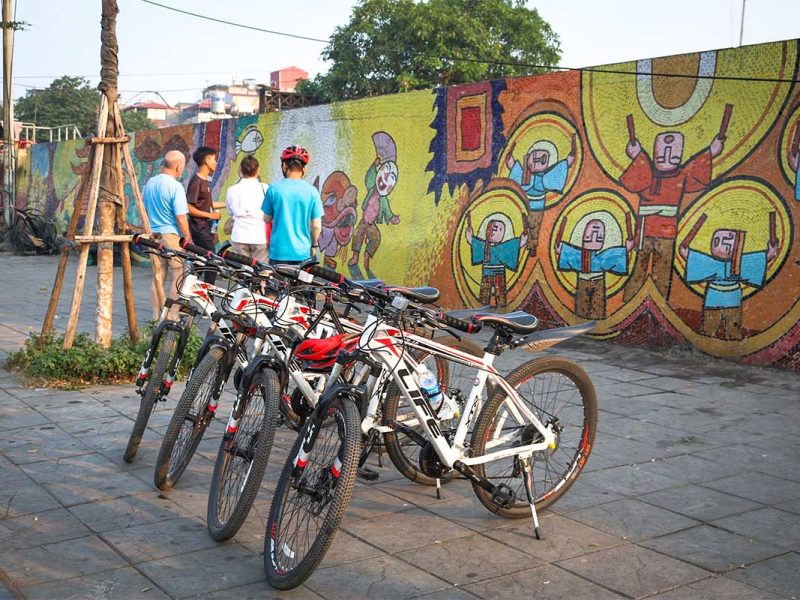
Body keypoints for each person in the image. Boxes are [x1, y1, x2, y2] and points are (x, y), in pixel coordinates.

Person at [142, 150, 192, 320]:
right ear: (178, 166)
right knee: (179, 275)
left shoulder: (149, 184)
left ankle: (156, 317)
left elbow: (144, 209)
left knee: (158, 276)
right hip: (171, 236)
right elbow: (180, 216)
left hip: (153, 236)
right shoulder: (175, 186)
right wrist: (188, 237)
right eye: (182, 167)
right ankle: (172, 314)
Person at [261, 145, 323, 265]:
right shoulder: (312, 191)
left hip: (278, 253)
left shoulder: (273, 189)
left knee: (278, 283)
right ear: (304, 169)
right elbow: (316, 226)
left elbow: (266, 218)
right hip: (302, 254)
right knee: (300, 284)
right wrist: (313, 245)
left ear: (284, 166)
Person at [186, 146, 224, 282]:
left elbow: (209, 204)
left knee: (202, 262)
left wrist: (229, 203)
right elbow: (189, 208)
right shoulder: (196, 181)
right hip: (199, 230)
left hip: (206, 230)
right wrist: (210, 216)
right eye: (214, 159)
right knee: (212, 262)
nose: (216, 163)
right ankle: (208, 296)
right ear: (207, 160)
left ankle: (187, 290)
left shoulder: (205, 181)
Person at [225, 155, 269, 262]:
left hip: (239, 236)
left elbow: (230, 212)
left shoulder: (232, 190)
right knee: (261, 272)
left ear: (240, 170)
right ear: (258, 170)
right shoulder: (265, 188)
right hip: (260, 236)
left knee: (241, 272)